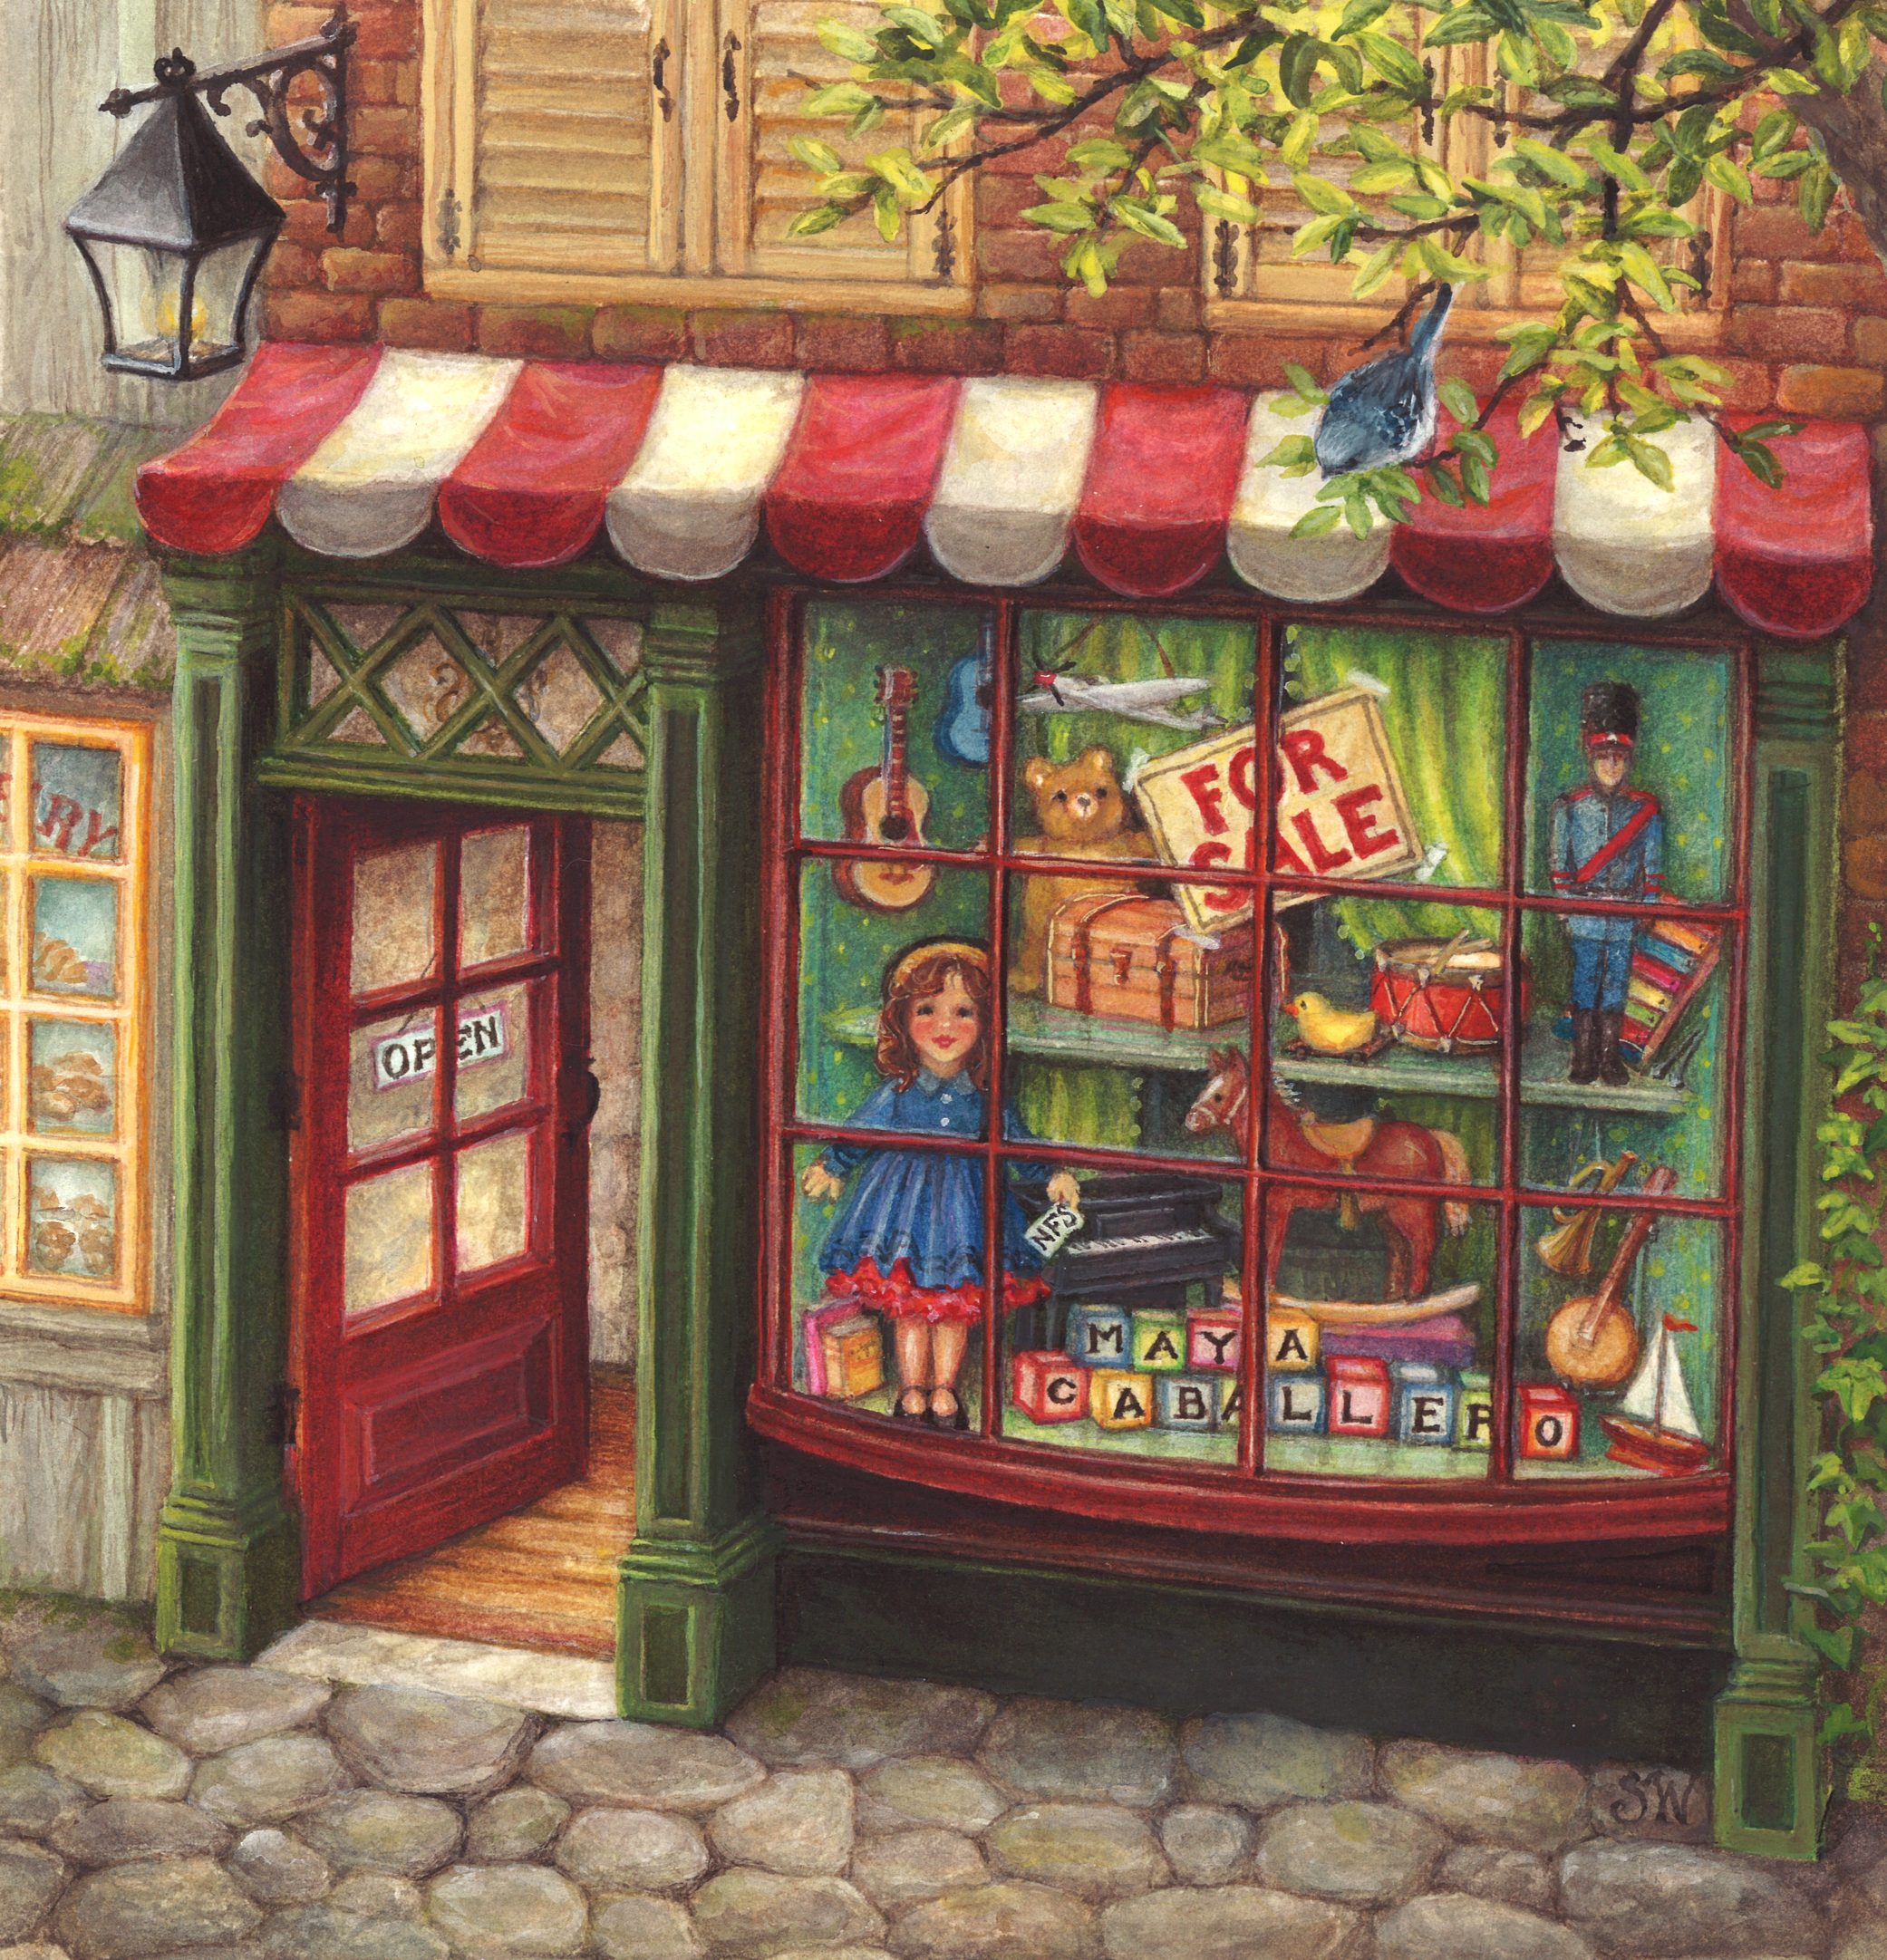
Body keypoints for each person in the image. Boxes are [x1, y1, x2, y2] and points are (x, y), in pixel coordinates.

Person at [800, 939, 1081, 1429]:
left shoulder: (985, 1097)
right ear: (902, 1021)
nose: (945, 1026)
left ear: (987, 1023)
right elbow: (861, 1134)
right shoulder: (898, 1092)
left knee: (956, 1308)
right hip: (901, 1210)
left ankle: (945, 1389)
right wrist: (834, 1164)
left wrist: (1051, 1174)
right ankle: (912, 1387)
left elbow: (1018, 1143)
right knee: (910, 1307)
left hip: (967, 1212)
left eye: (964, 1012)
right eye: (927, 1010)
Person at [1550, 681, 1664, 1086]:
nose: (1611, 767)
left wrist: (1647, 906)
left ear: (1628, 762)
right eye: (1604, 758)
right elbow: (1560, 864)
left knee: (1615, 990)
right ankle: (1583, 1058)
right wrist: (1566, 906)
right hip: (1584, 914)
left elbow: (1652, 865)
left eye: (1619, 759)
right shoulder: (1570, 807)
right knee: (1585, 987)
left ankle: (1609, 1058)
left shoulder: (1644, 811)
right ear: (1592, 759)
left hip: (1624, 916)